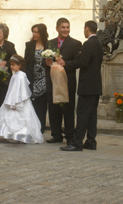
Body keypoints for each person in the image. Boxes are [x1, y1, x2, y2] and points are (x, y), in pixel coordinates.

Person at [58, 21, 103, 151]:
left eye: (84, 29)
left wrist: (67, 63)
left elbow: (83, 62)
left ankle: (77, 143)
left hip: (87, 85)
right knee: (91, 115)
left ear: (87, 29)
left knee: (82, 114)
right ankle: (90, 141)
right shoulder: (98, 43)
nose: (84, 31)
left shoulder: (88, 43)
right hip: (95, 85)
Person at [0, 55, 44, 144]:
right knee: (11, 117)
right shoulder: (15, 75)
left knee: (21, 118)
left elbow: (21, 91)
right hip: (12, 100)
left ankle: (21, 136)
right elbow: (12, 90)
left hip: (18, 101)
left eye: (13, 64)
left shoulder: (21, 76)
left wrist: (17, 104)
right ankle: (13, 135)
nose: (11, 66)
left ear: (19, 65)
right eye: (11, 64)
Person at [45, 18, 82, 145]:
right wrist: (46, 62)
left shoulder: (76, 43)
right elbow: (42, 61)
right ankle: (56, 135)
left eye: (67, 27)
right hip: (52, 81)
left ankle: (69, 136)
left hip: (67, 82)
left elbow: (78, 62)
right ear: (57, 28)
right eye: (63, 27)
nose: (65, 29)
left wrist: (66, 63)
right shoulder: (49, 43)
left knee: (68, 109)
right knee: (53, 109)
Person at [24, 23, 49, 133]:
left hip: (44, 78)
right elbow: (26, 62)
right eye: (33, 32)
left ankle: (41, 128)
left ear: (41, 33)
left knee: (42, 105)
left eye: (36, 32)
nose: (34, 34)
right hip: (33, 78)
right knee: (32, 104)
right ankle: (32, 127)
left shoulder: (48, 45)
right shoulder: (29, 45)